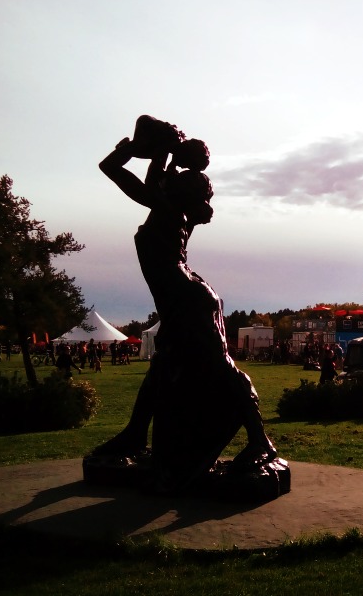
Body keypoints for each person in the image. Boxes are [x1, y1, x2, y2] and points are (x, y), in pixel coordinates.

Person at [93, 116, 276, 492]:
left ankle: (261, 441)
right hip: (186, 294)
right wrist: (163, 152)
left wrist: (147, 149)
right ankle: (135, 432)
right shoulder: (171, 211)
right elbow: (147, 177)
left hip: (187, 297)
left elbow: (116, 170)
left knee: (222, 367)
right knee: (163, 364)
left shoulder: (167, 209)